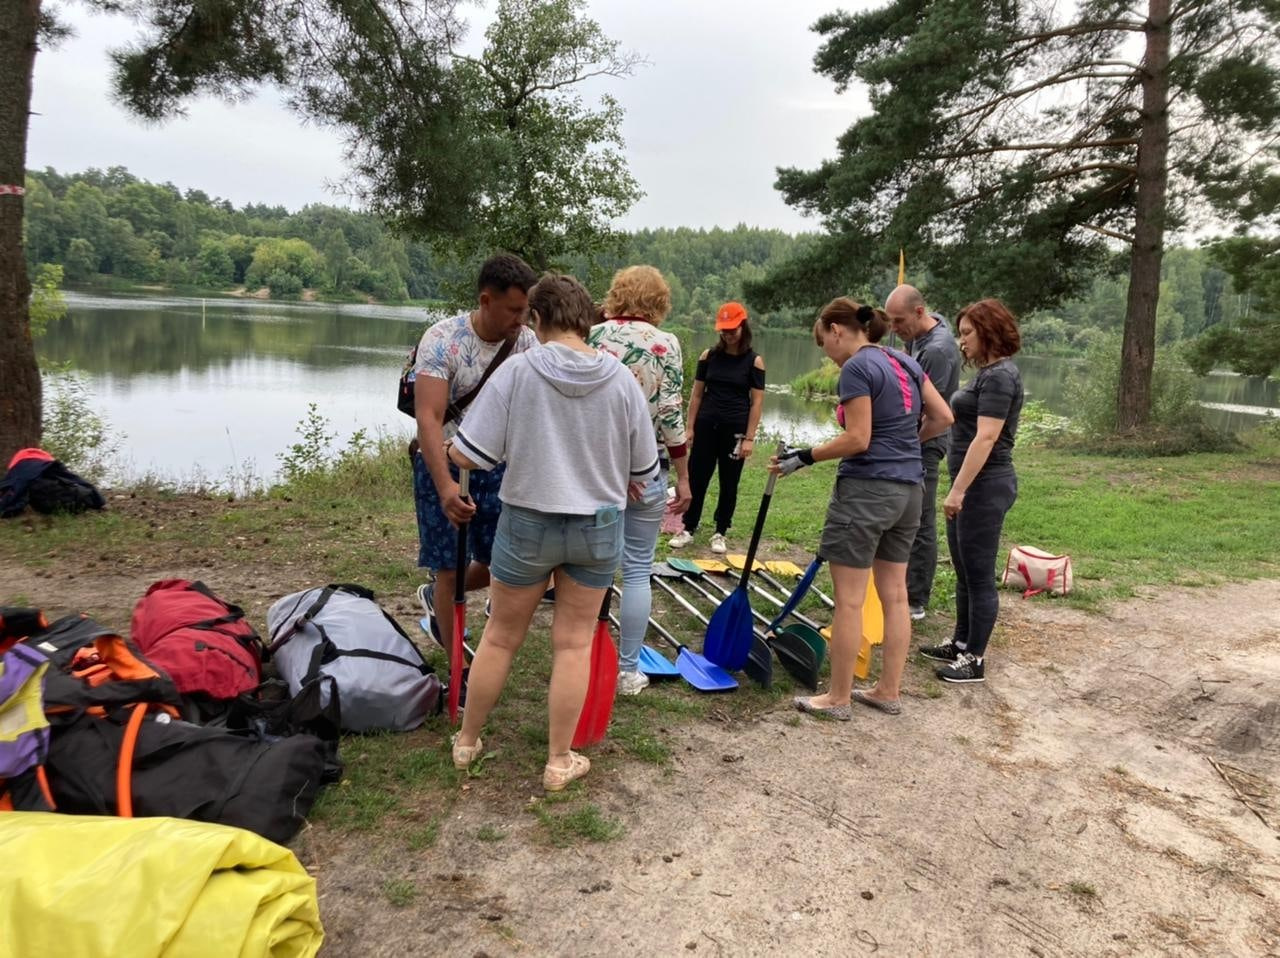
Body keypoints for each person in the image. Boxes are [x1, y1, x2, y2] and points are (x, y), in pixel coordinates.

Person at [446, 273, 659, 791]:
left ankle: (467, 742)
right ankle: (558, 761)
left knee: (499, 638)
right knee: (572, 645)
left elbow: (468, 453)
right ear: (587, 318)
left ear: (537, 319)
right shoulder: (622, 379)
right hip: (597, 528)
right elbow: (646, 471)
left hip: (528, 524)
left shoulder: (518, 371)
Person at [771, 298, 952, 719]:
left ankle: (836, 698)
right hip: (910, 491)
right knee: (895, 597)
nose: (827, 356)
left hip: (868, 491)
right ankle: (888, 690)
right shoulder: (905, 362)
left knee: (849, 601)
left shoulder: (857, 367)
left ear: (837, 329)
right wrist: (907, 444)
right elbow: (943, 416)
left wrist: (807, 455)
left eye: (824, 344)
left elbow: (858, 439)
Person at [411, 254, 539, 660]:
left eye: (526, 311)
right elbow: (428, 418)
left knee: (500, 564)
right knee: (450, 565)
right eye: (514, 310)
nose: (522, 320)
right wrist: (446, 487)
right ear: (486, 300)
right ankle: (457, 667)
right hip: (447, 466)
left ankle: (438, 596)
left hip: (501, 470)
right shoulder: (442, 340)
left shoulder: (527, 343)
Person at [588, 265, 691, 696]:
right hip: (646, 469)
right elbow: (670, 413)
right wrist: (684, 477)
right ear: (660, 302)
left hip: (593, 472)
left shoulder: (591, 337)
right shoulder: (665, 345)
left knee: (590, 569)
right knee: (636, 570)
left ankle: (584, 659)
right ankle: (627, 671)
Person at [921, 299, 1024, 684]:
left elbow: (987, 437)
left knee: (979, 575)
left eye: (967, 333)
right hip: (969, 485)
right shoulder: (988, 373)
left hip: (984, 486)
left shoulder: (1000, 376)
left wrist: (959, 490)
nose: (961, 342)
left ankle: (975, 659)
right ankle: (961, 643)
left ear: (989, 331)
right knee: (964, 570)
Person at [884, 285, 962, 620]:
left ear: (919, 313)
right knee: (904, 514)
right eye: (889, 321)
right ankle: (899, 583)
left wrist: (908, 442)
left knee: (920, 518)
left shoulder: (938, 351)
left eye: (898, 321)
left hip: (928, 440)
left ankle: (916, 598)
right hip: (913, 436)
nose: (894, 328)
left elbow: (937, 414)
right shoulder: (923, 330)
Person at [670, 302, 765, 554]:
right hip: (705, 426)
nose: (728, 334)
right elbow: (697, 395)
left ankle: (720, 530)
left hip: (735, 430)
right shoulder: (708, 356)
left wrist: (750, 438)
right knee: (697, 477)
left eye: (732, 329)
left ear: (743, 327)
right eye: (723, 330)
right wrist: (689, 427)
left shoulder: (754, 362)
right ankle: (688, 527)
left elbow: (756, 403)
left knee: (729, 481)